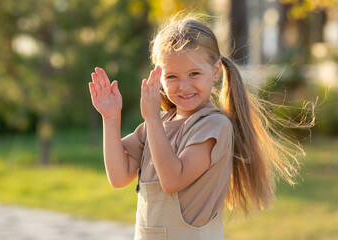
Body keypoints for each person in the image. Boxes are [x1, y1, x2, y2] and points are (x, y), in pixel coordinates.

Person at [88, 12, 313, 240]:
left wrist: (153, 120)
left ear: (215, 71)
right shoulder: (158, 125)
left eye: (194, 73)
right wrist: (110, 118)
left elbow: (173, 180)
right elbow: (118, 177)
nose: (184, 86)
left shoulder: (213, 125)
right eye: (172, 76)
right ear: (159, 78)